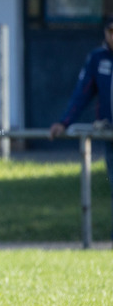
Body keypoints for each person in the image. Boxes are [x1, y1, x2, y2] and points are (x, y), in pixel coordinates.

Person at [49, 15, 113, 239]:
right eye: (111, 32)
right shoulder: (98, 59)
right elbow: (82, 94)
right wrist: (64, 122)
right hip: (110, 136)